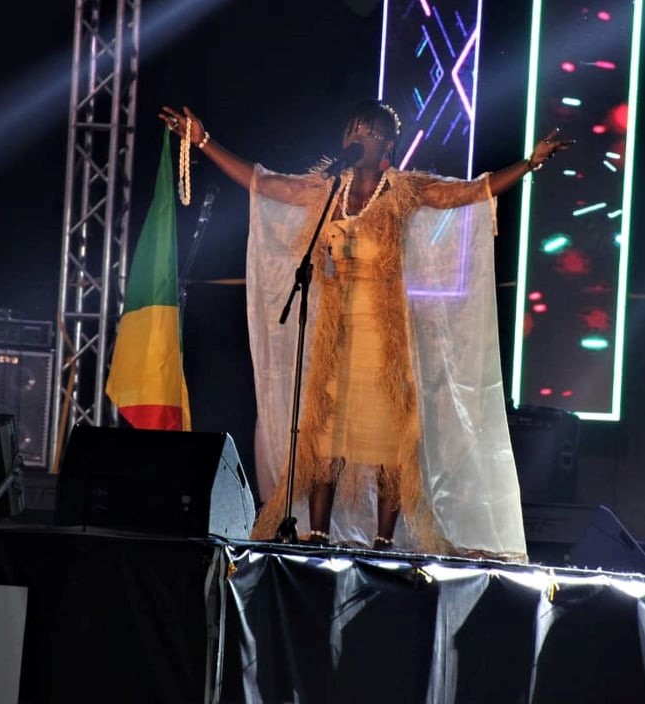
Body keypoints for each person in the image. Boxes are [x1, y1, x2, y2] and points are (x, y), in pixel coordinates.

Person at [160, 100, 573, 559]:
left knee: (388, 440)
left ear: (387, 145)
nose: (354, 138)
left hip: (384, 338)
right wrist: (203, 141)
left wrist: (529, 163)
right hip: (337, 337)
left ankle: (384, 540)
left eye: (366, 132)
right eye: (350, 131)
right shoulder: (328, 191)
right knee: (325, 436)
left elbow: (467, 192)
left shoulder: (403, 190)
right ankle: (318, 535)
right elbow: (266, 183)